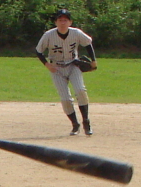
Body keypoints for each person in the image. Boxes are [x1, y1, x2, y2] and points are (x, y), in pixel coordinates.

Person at [36, 8, 98, 136]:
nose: (63, 22)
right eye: (60, 20)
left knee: (80, 91)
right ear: (56, 22)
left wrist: (93, 60)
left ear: (70, 22)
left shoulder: (76, 33)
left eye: (65, 20)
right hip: (56, 68)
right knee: (65, 99)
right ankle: (75, 125)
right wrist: (47, 64)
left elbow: (88, 43)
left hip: (73, 65)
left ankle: (86, 121)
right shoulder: (48, 35)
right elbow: (38, 51)